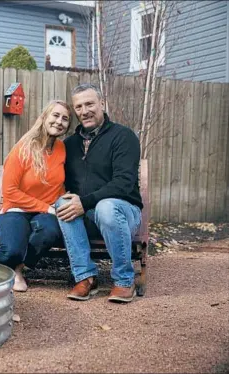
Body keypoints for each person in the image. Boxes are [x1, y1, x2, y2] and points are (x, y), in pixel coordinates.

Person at [55, 83, 143, 303]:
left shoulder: (123, 136)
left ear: (102, 103)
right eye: (79, 107)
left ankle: (124, 280)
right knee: (62, 202)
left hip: (123, 212)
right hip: (86, 214)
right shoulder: (70, 144)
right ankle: (86, 277)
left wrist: (84, 202)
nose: (84, 111)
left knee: (106, 207)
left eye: (89, 104)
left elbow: (123, 183)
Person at [0, 100, 71, 292]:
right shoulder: (23, 148)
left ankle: (18, 270)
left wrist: (62, 200)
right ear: (44, 117)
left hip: (45, 213)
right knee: (11, 250)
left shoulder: (62, 149)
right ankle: (1, 267)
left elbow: (59, 183)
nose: (59, 121)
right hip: (16, 209)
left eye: (65, 119)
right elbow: (10, 191)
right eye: (55, 115)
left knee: (49, 232)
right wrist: (46, 207)